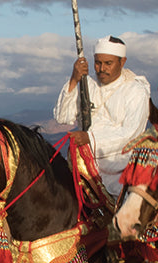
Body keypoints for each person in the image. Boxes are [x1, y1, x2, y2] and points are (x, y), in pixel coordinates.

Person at [53, 36, 151, 197]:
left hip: (120, 169)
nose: (101, 68)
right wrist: (73, 80)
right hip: (84, 167)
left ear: (122, 62)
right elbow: (63, 117)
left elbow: (131, 133)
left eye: (108, 63)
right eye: (98, 63)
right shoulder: (88, 84)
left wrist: (90, 138)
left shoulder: (136, 90)